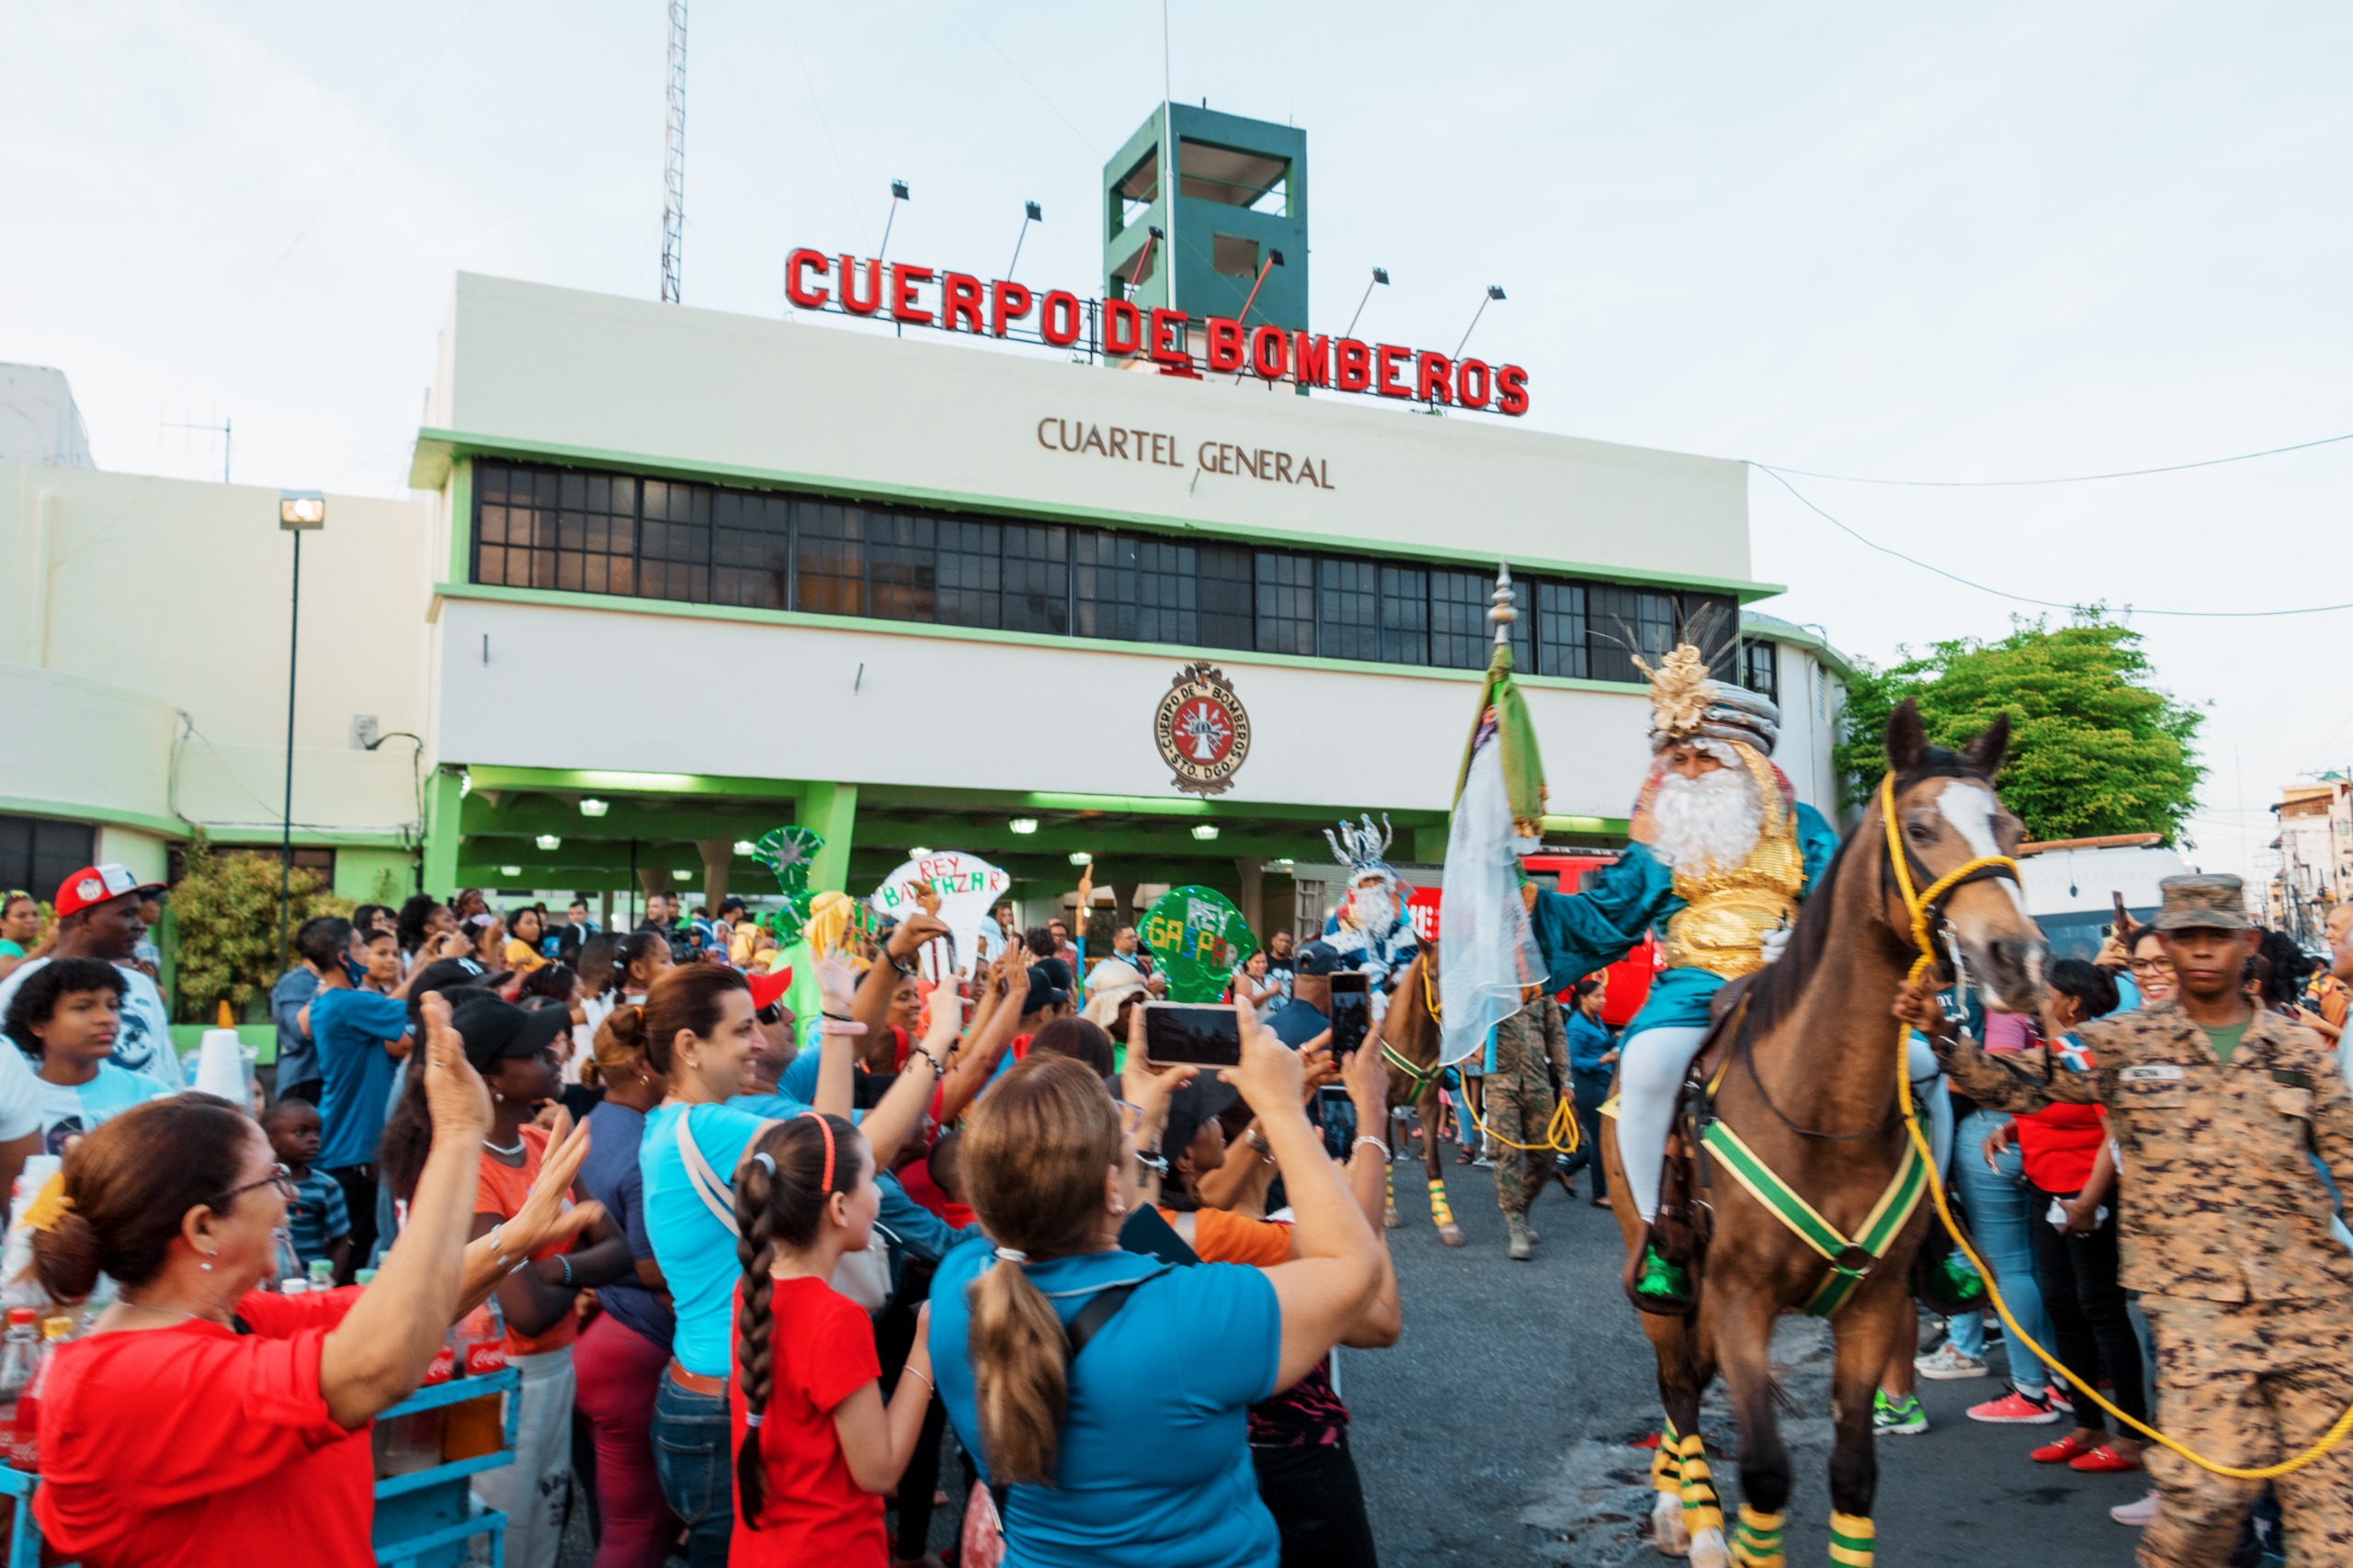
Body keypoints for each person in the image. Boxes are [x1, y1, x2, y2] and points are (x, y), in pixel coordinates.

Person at [27, 994, 599, 1564]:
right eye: (271, 1180)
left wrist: (514, 1240)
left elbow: (405, 1305)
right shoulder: (121, 1379)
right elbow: (379, 1365)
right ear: (203, 1228)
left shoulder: (241, 1318)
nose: (290, 1193)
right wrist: (455, 1138)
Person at [1904, 874, 2353, 1565]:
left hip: (2313, 1310)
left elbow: (2348, 1164)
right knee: (2203, 1505)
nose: (2202, 952)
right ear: (2166, 946)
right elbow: (2019, 1080)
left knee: (2334, 1529)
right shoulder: (2122, 1043)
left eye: (2218, 936)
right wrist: (1942, 1034)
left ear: (2247, 943)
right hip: (2199, 1309)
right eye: (2187, 938)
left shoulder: (2297, 1053)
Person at [926, 1017, 1382, 1568]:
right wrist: (1282, 1108)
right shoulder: (1189, 1315)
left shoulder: (958, 1288)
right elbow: (1353, 1267)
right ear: (1108, 1187)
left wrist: (1139, 1126)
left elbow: (1113, 1226)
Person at [1522, 645, 1838, 1310]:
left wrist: (1808, 943)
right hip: (1694, 991)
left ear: (1746, 760)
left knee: (1917, 1063)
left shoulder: (1804, 828)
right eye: (1680, 758)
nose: (1690, 771)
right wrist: (1532, 902)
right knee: (1644, 1064)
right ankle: (1658, 1235)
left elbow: (1844, 908)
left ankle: (1939, 1235)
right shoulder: (1659, 842)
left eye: (1705, 757)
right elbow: (1606, 914)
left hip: (1801, 987)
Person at [640, 928, 947, 1564]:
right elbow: (834, 1149)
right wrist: (937, 1047)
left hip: (710, 1390)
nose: (758, 1042)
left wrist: (845, 1006)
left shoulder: (673, 1123)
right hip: (727, 1400)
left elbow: (824, 1134)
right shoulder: (710, 1127)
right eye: (743, 1030)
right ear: (689, 1047)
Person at [379, 995, 636, 1568]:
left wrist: (555, 1269)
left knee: (543, 1524)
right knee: (502, 1538)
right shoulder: (471, 1170)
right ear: (490, 1076)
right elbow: (525, 1313)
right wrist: (573, 1275)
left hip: (556, 1365)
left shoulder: (543, 1144)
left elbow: (620, 1249)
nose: (553, 1058)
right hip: (499, 1378)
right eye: (533, 1052)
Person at [728, 1113, 936, 1564]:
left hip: (763, 1548)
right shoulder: (837, 1320)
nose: (880, 1193)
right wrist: (924, 1348)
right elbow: (878, 1471)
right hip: (831, 1549)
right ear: (839, 1207)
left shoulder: (751, 1292)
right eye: (871, 1178)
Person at [2007, 959, 2145, 1475]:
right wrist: (2014, 1131)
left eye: (2044, 994)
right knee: (2063, 1308)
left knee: (2102, 1310)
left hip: (2088, 1197)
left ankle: (2132, 1436)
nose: (2036, 1003)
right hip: (2044, 1191)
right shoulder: (2047, 1054)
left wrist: (2088, 1201)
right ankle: (2086, 1426)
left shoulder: (2089, 1052)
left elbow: (2114, 1129)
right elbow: (2049, 1107)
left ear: (2069, 1003)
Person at [574, 1009, 681, 1568]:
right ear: (644, 1067)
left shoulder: (589, 1123)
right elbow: (650, 1267)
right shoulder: (647, 1145)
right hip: (631, 1348)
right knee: (638, 1530)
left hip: (591, 1339)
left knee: (614, 1519)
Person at [0, 864, 183, 1090]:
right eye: (128, 914)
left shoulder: (140, 985)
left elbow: (169, 1073)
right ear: (85, 919)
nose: (140, 926)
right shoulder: (21, 987)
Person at [304, 916, 415, 1281]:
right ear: (343, 957)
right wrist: (432, 968)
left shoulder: (332, 1001)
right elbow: (415, 1015)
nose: (367, 953)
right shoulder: (347, 1003)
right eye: (360, 948)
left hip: (346, 1146)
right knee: (361, 1258)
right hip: (354, 1152)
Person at [3, 957, 171, 1154]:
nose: (106, 1019)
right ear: (38, 1024)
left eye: (112, 1006)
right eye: (83, 1007)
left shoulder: (151, 1096)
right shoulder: (14, 1101)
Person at [1484, 983, 1569, 1260]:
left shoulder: (1542, 988)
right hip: (1501, 1082)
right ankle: (1516, 1224)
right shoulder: (1489, 982)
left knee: (1546, 1153)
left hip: (1537, 1081)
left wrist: (1566, 1079)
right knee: (1505, 1152)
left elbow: (1556, 1033)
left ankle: (1521, 1205)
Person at [264, 1099, 351, 1279]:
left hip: (307, 1288)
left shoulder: (326, 1187)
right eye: (301, 1132)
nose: (314, 1139)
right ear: (273, 1141)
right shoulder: (258, 1185)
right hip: (265, 1287)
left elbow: (341, 1241)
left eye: (317, 1132)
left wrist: (327, 1282)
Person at [1553, 976, 1616, 1206]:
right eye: (1597, 996)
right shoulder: (1577, 1025)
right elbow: (1574, 1060)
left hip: (1601, 1081)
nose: (1603, 1000)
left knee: (1603, 1137)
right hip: (1586, 1085)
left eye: (1603, 995)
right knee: (1601, 1139)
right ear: (1583, 999)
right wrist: (1602, 1060)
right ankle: (1599, 1194)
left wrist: (1614, 1040)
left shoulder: (1595, 1019)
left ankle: (1567, 1170)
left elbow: (1600, 1044)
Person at [0, 890, 46, 983]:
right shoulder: (8, 947)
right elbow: (4, 974)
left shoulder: (18, 951)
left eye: (35, 914)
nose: (31, 920)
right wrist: (46, 947)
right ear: (2, 923)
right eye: (21, 916)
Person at [506, 907, 551, 974]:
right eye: (529, 923)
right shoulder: (517, 945)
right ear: (515, 927)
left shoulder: (527, 947)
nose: (536, 927)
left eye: (538, 923)